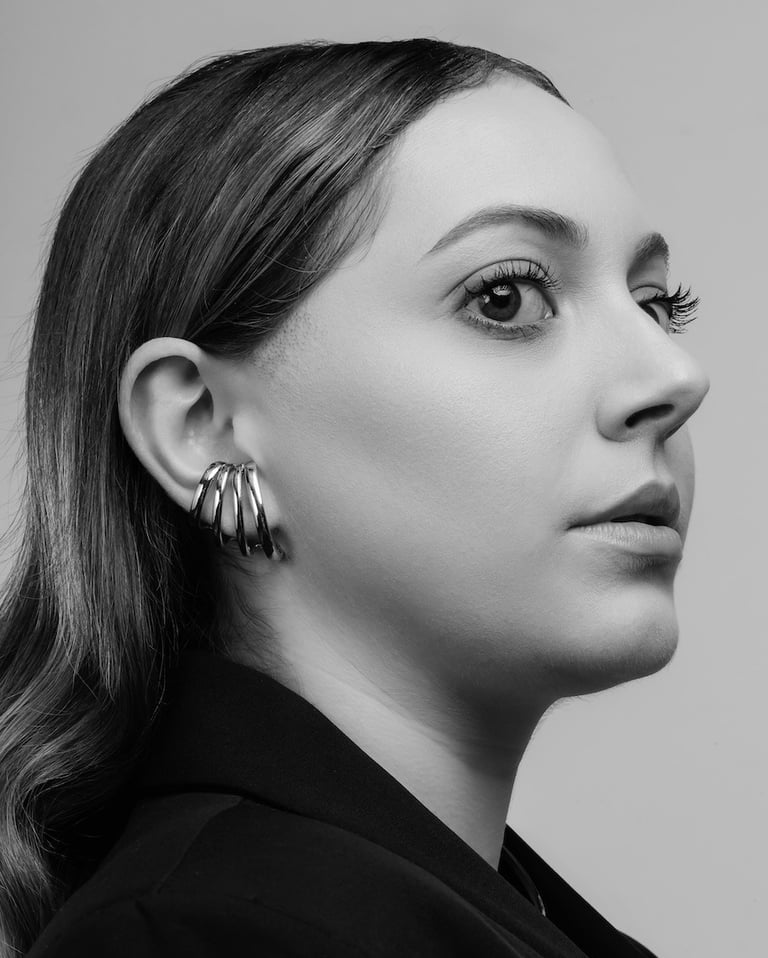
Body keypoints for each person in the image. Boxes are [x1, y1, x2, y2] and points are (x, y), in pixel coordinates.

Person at [0, 38, 709, 958]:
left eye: (655, 304)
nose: (674, 377)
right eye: (505, 296)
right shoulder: (209, 935)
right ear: (204, 429)